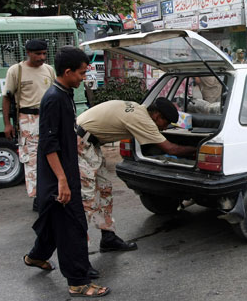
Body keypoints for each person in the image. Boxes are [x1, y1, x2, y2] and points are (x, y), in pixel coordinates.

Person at [24, 46, 110, 298]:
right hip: (58, 177)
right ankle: (78, 281)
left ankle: (35, 256)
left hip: (65, 172)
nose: (84, 78)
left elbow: (64, 134)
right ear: (68, 71)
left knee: (53, 224)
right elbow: (48, 144)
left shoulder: (66, 93)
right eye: (82, 73)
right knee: (73, 228)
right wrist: (62, 180)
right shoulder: (54, 98)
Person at [76, 98, 196, 252]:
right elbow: (171, 149)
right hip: (78, 143)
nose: (165, 128)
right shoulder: (142, 120)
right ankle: (78, 256)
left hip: (90, 144)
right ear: (157, 116)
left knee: (104, 190)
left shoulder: (140, 109)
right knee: (85, 200)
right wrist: (196, 149)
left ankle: (108, 237)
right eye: (166, 124)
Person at [2, 39, 56, 210]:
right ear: (28, 53)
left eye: (44, 54)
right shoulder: (16, 70)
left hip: (48, 118)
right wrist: (7, 124)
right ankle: (37, 197)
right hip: (28, 120)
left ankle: (50, 193)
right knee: (32, 159)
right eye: (38, 54)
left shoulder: (49, 70)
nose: (42, 57)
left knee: (52, 156)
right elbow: (6, 98)